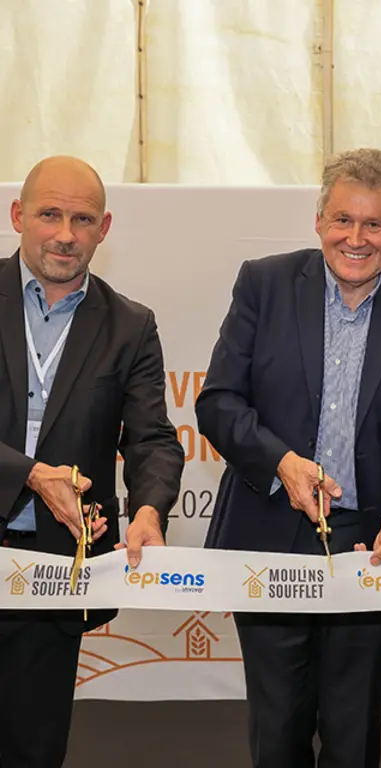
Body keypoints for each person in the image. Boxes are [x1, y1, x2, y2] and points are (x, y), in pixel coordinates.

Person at [196, 147, 381, 768]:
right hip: (269, 536)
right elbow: (218, 402)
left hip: (371, 544)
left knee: (353, 732)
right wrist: (281, 462)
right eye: (343, 219)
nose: (356, 238)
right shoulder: (263, 283)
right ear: (319, 220)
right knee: (277, 732)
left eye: (374, 224)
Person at [0, 156, 184, 768]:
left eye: (82, 219)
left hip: (56, 569)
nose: (65, 234)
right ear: (18, 215)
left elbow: (152, 439)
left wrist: (150, 509)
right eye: (49, 214)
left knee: (32, 750)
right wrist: (30, 475)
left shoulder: (130, 325)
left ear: (104, 229)